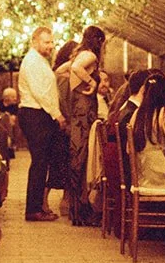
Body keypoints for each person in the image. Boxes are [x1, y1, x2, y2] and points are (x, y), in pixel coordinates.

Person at [56, 25, 106, 226]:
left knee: (76, 155)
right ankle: (83, 211)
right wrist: (91, 82)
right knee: (84, 156)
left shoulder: (78, 54)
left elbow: (60, 70)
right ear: (99, 41)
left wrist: (74, 83)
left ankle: (77, 211)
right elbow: (76, 68)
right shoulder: (90, 56)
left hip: (77, 109)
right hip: (85, 110)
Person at [17, 25, 67, 222]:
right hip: (35, 114)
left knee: (43, 161)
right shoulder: (33, 62)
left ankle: (38, 206)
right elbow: (42, 93)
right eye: (47, 42)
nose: (51, 45)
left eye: (52, 41)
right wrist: (57, 115)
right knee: (39, 162)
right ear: (35, 41)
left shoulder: (39, 61)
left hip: (38, 114)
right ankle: (33, 209)